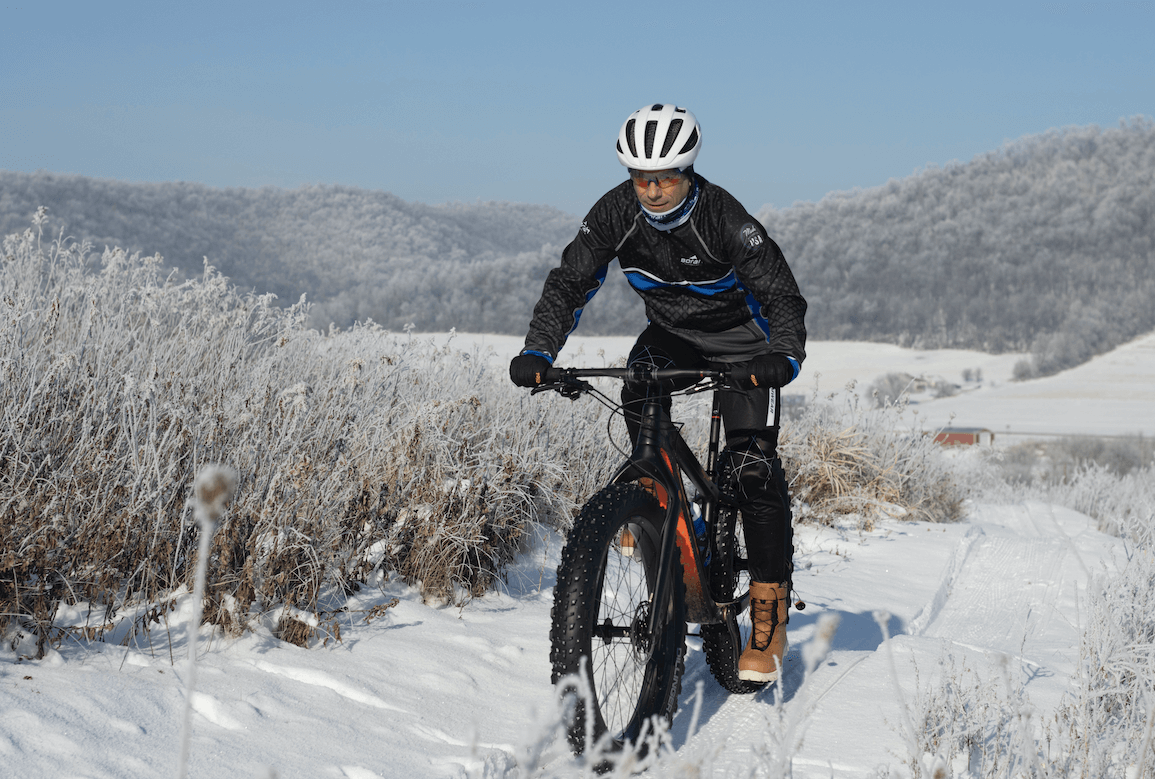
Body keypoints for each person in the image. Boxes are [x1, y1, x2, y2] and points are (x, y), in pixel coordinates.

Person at [509, 103, 807, 684]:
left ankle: (769, 610)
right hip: (673, 336)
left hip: (744, 342)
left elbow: (781, 294)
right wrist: (539, 351)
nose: (652, 189)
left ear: (688, 171)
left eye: (665, 177)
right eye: (641, 178)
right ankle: (657, 505)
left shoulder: (725, 217)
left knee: (750, 469)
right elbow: (571, 281)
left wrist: (784, 354)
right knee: (638, 385)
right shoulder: (616, 213)